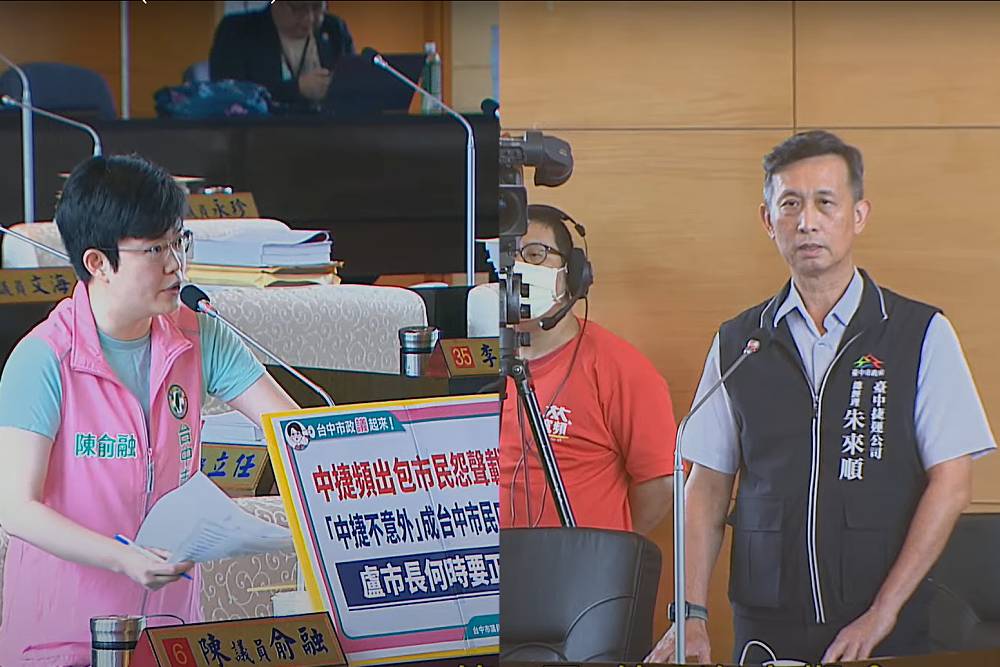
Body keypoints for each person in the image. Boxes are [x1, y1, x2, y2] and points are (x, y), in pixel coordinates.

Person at [646, 130, 996, 665]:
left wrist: (883, 612)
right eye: (790, 204)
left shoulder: (918, 332)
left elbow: (951, 483)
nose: (807, 221)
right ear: (768, 220)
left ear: (858, 215)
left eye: (825, 203)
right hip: (766, 620)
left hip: (886, 622)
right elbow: (708, 487)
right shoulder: (740, 341)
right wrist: (689, 614)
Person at [0, 154, 301, 666]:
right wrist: (123, 558)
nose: (175, 264)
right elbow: (16, 509)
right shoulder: (44, 358)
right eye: (155, 249)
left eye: (179, 242)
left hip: (169, 635)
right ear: (98, 263)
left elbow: (294, 432)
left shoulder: (198, 335)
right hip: (62, 641)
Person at [499, 204, 676, 534]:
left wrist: (606, 547)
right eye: (508, 258)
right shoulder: (475, 363)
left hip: (583, 564)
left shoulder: (621, 369)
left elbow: (661, 483)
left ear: (572, 274)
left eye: (535, 255)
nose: (519, 269)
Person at [209, 1, 354, 112]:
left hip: (328, 134)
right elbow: (229, 95)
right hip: (260, 135)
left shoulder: (335, 29)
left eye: (317, 7)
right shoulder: (236, 31)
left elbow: (354, 86)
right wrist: (297, 88)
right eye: (298, 8)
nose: (309, 19)